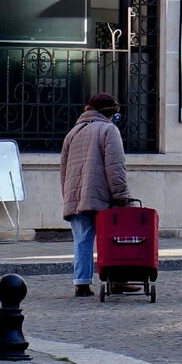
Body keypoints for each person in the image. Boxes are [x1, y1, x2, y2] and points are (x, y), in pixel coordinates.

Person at [59, 92, 130, 297]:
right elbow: (115, 166)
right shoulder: (108, 130)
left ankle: (81, 283)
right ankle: (116, 281)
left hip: (76, 197)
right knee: (114, 239)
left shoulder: (73, 133)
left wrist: (68, 197)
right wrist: (121, 194)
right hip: (103, 197)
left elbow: (63, 169)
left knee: (82, 240)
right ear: (110, 113)